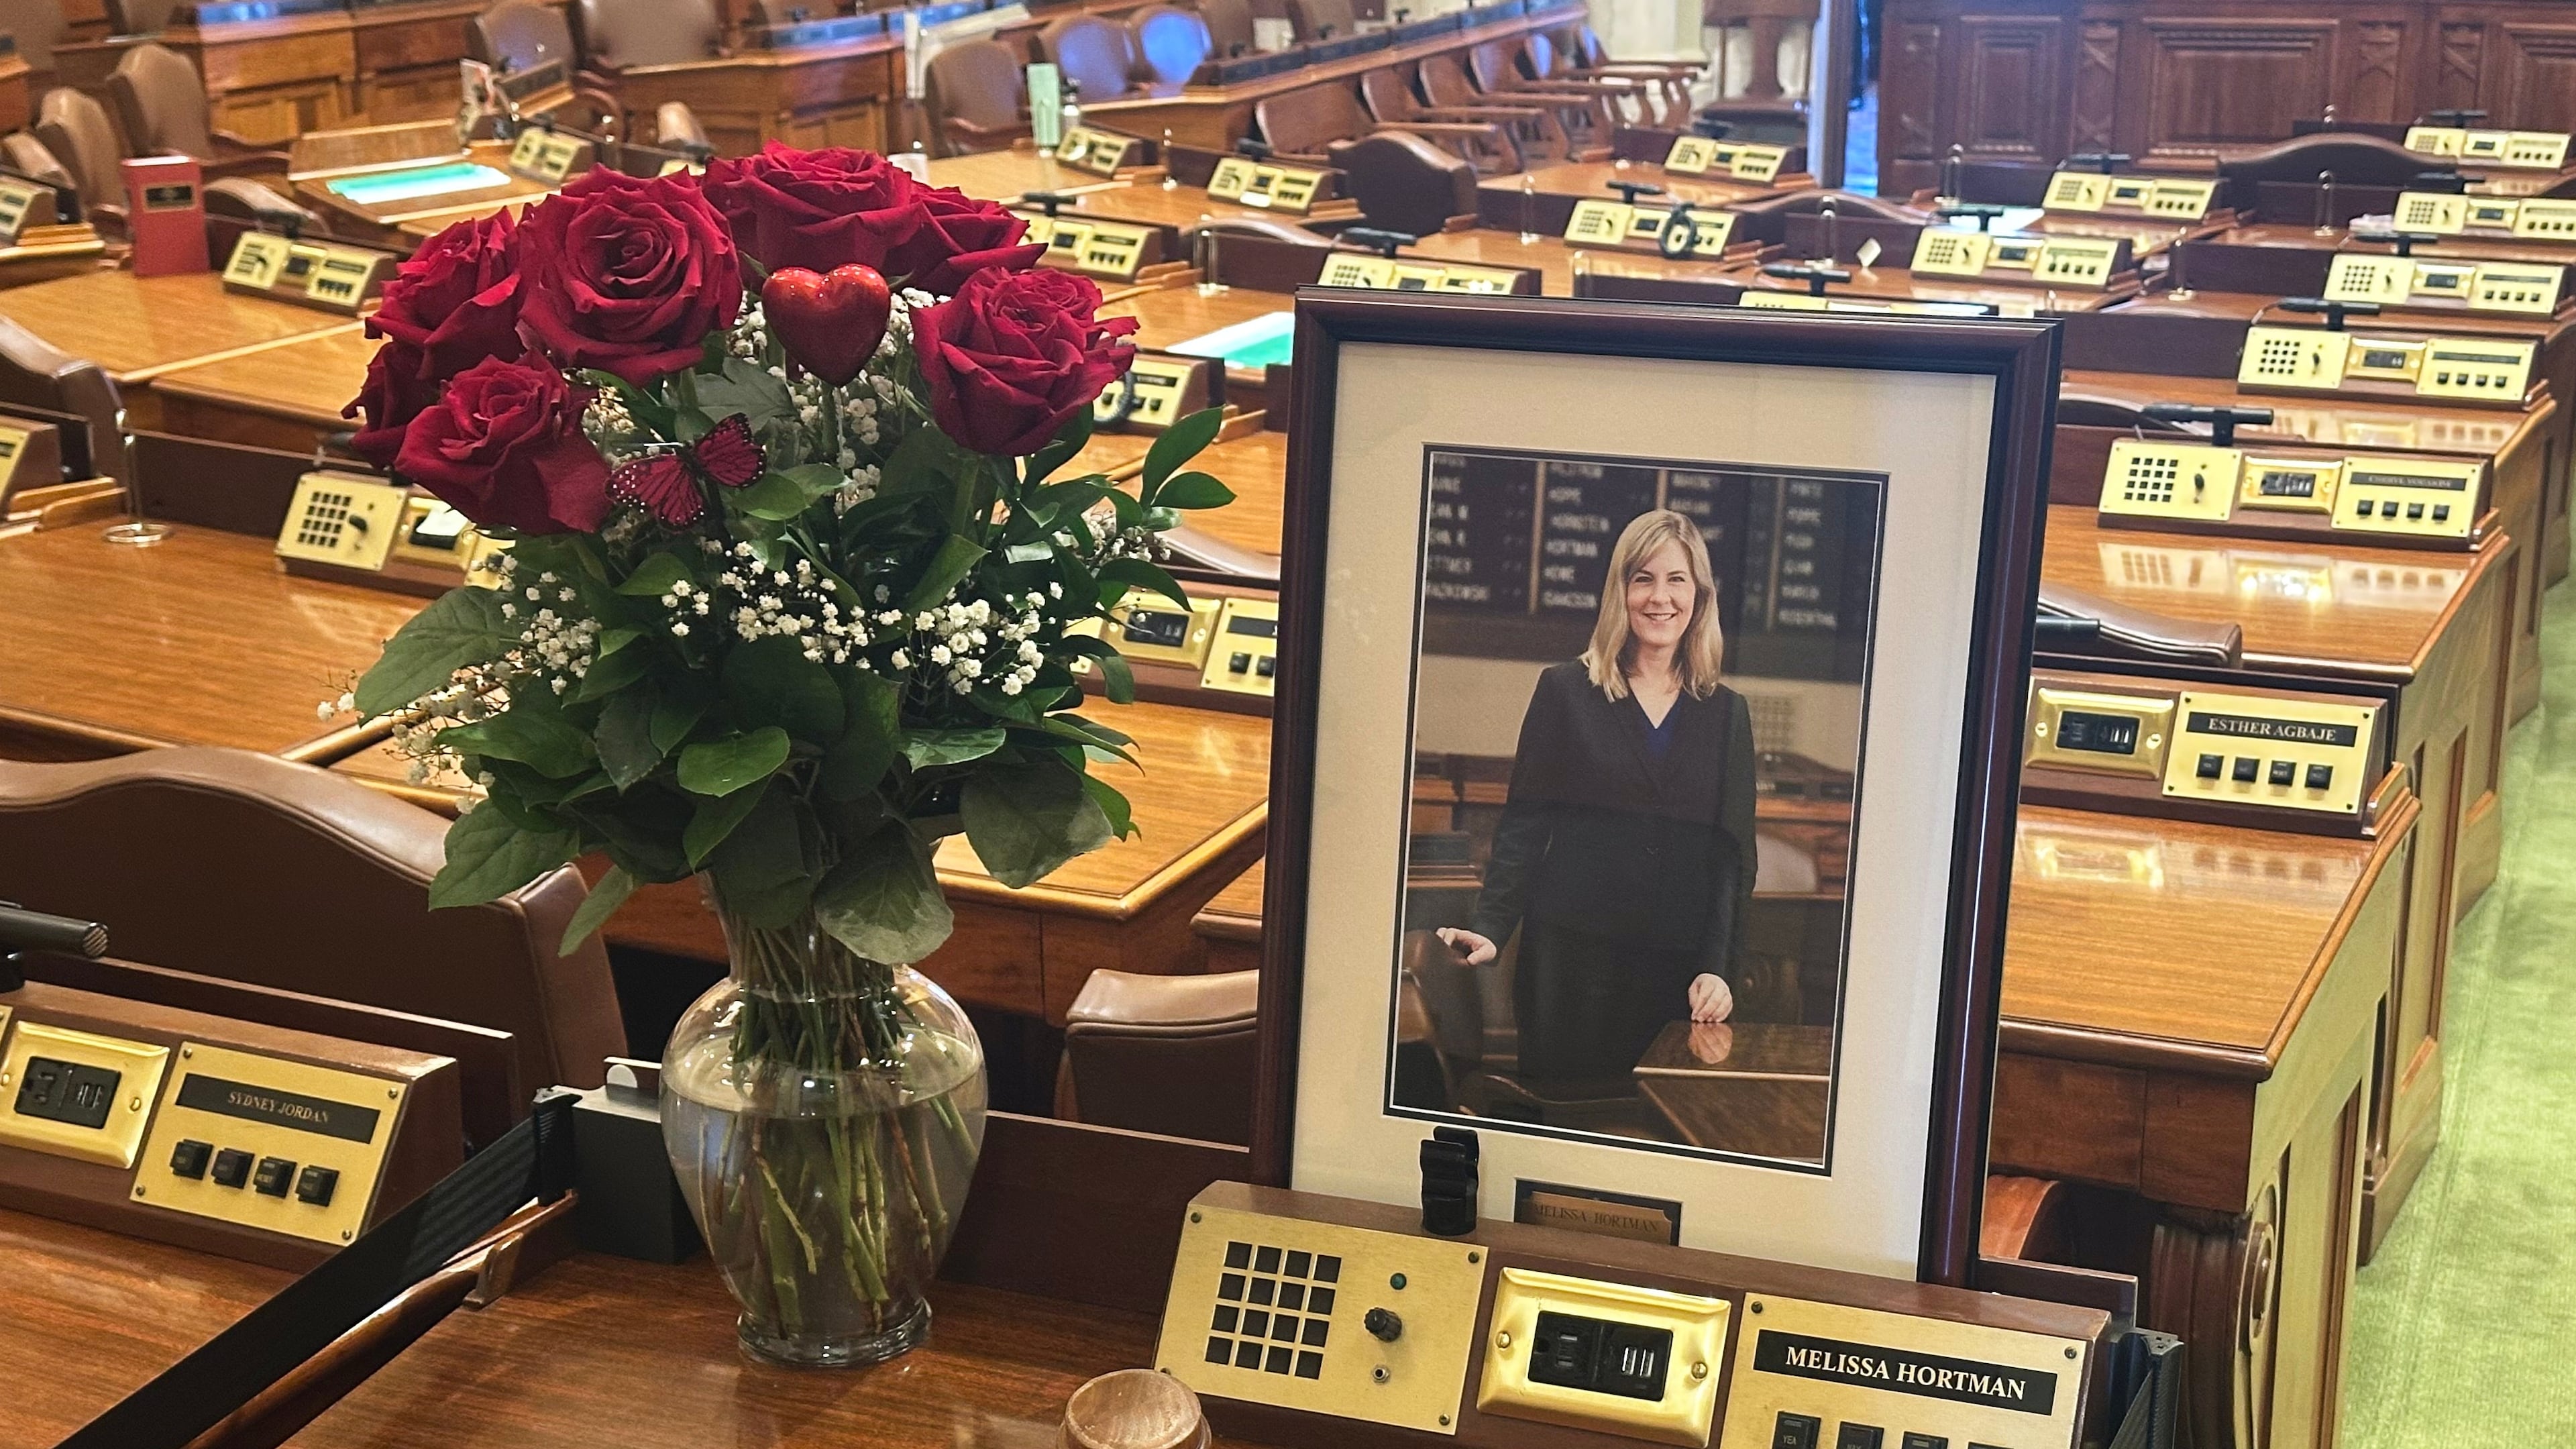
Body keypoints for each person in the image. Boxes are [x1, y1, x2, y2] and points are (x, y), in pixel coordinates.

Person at [1436, 509, 1758, 1081]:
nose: (1660, 597)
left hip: (1678, 978)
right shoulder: (1564, 691)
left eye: (1677, 580)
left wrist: (1718, 969)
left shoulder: (1728, 714)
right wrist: (1490, 925)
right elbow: (1525, 827)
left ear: (1700, 595)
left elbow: (1731, 858)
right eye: (1643, 579)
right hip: (1569, 970)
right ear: (1620, 592)